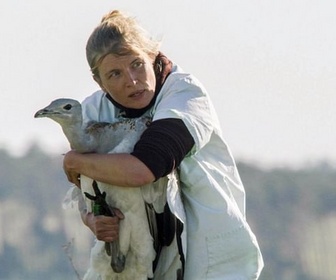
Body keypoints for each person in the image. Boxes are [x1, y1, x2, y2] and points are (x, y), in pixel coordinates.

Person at [63, 10, 264, 280]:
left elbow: (146, 167)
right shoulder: (93, 111)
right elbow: (86, 190)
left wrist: (74, 161)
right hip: (143, 265)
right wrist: (94, 219)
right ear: (98, 81)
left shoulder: (185, 95)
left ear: (153, 56)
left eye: (136, 64)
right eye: (114, 74)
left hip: (213, 262)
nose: (131, 81)